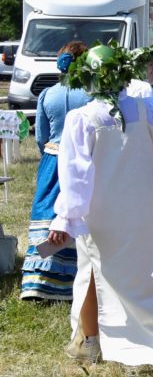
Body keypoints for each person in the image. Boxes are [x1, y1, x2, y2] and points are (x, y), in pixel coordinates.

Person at [49, 43, 153, 366]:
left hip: (102, 213)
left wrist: (66, 217)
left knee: (94, 271)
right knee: (146, 274)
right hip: (145, 208)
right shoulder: (143, 108)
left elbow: (75, 175)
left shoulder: (82, 118)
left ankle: (91, 341)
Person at [20, 41, 90, 301]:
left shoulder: (47, 94)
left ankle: (37, 282)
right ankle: (70, 279)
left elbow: (41, 135)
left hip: (52, 159)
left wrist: (48, 155)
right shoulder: (90, 96)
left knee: (47, 212)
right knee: (77, 212)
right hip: (79, 162)